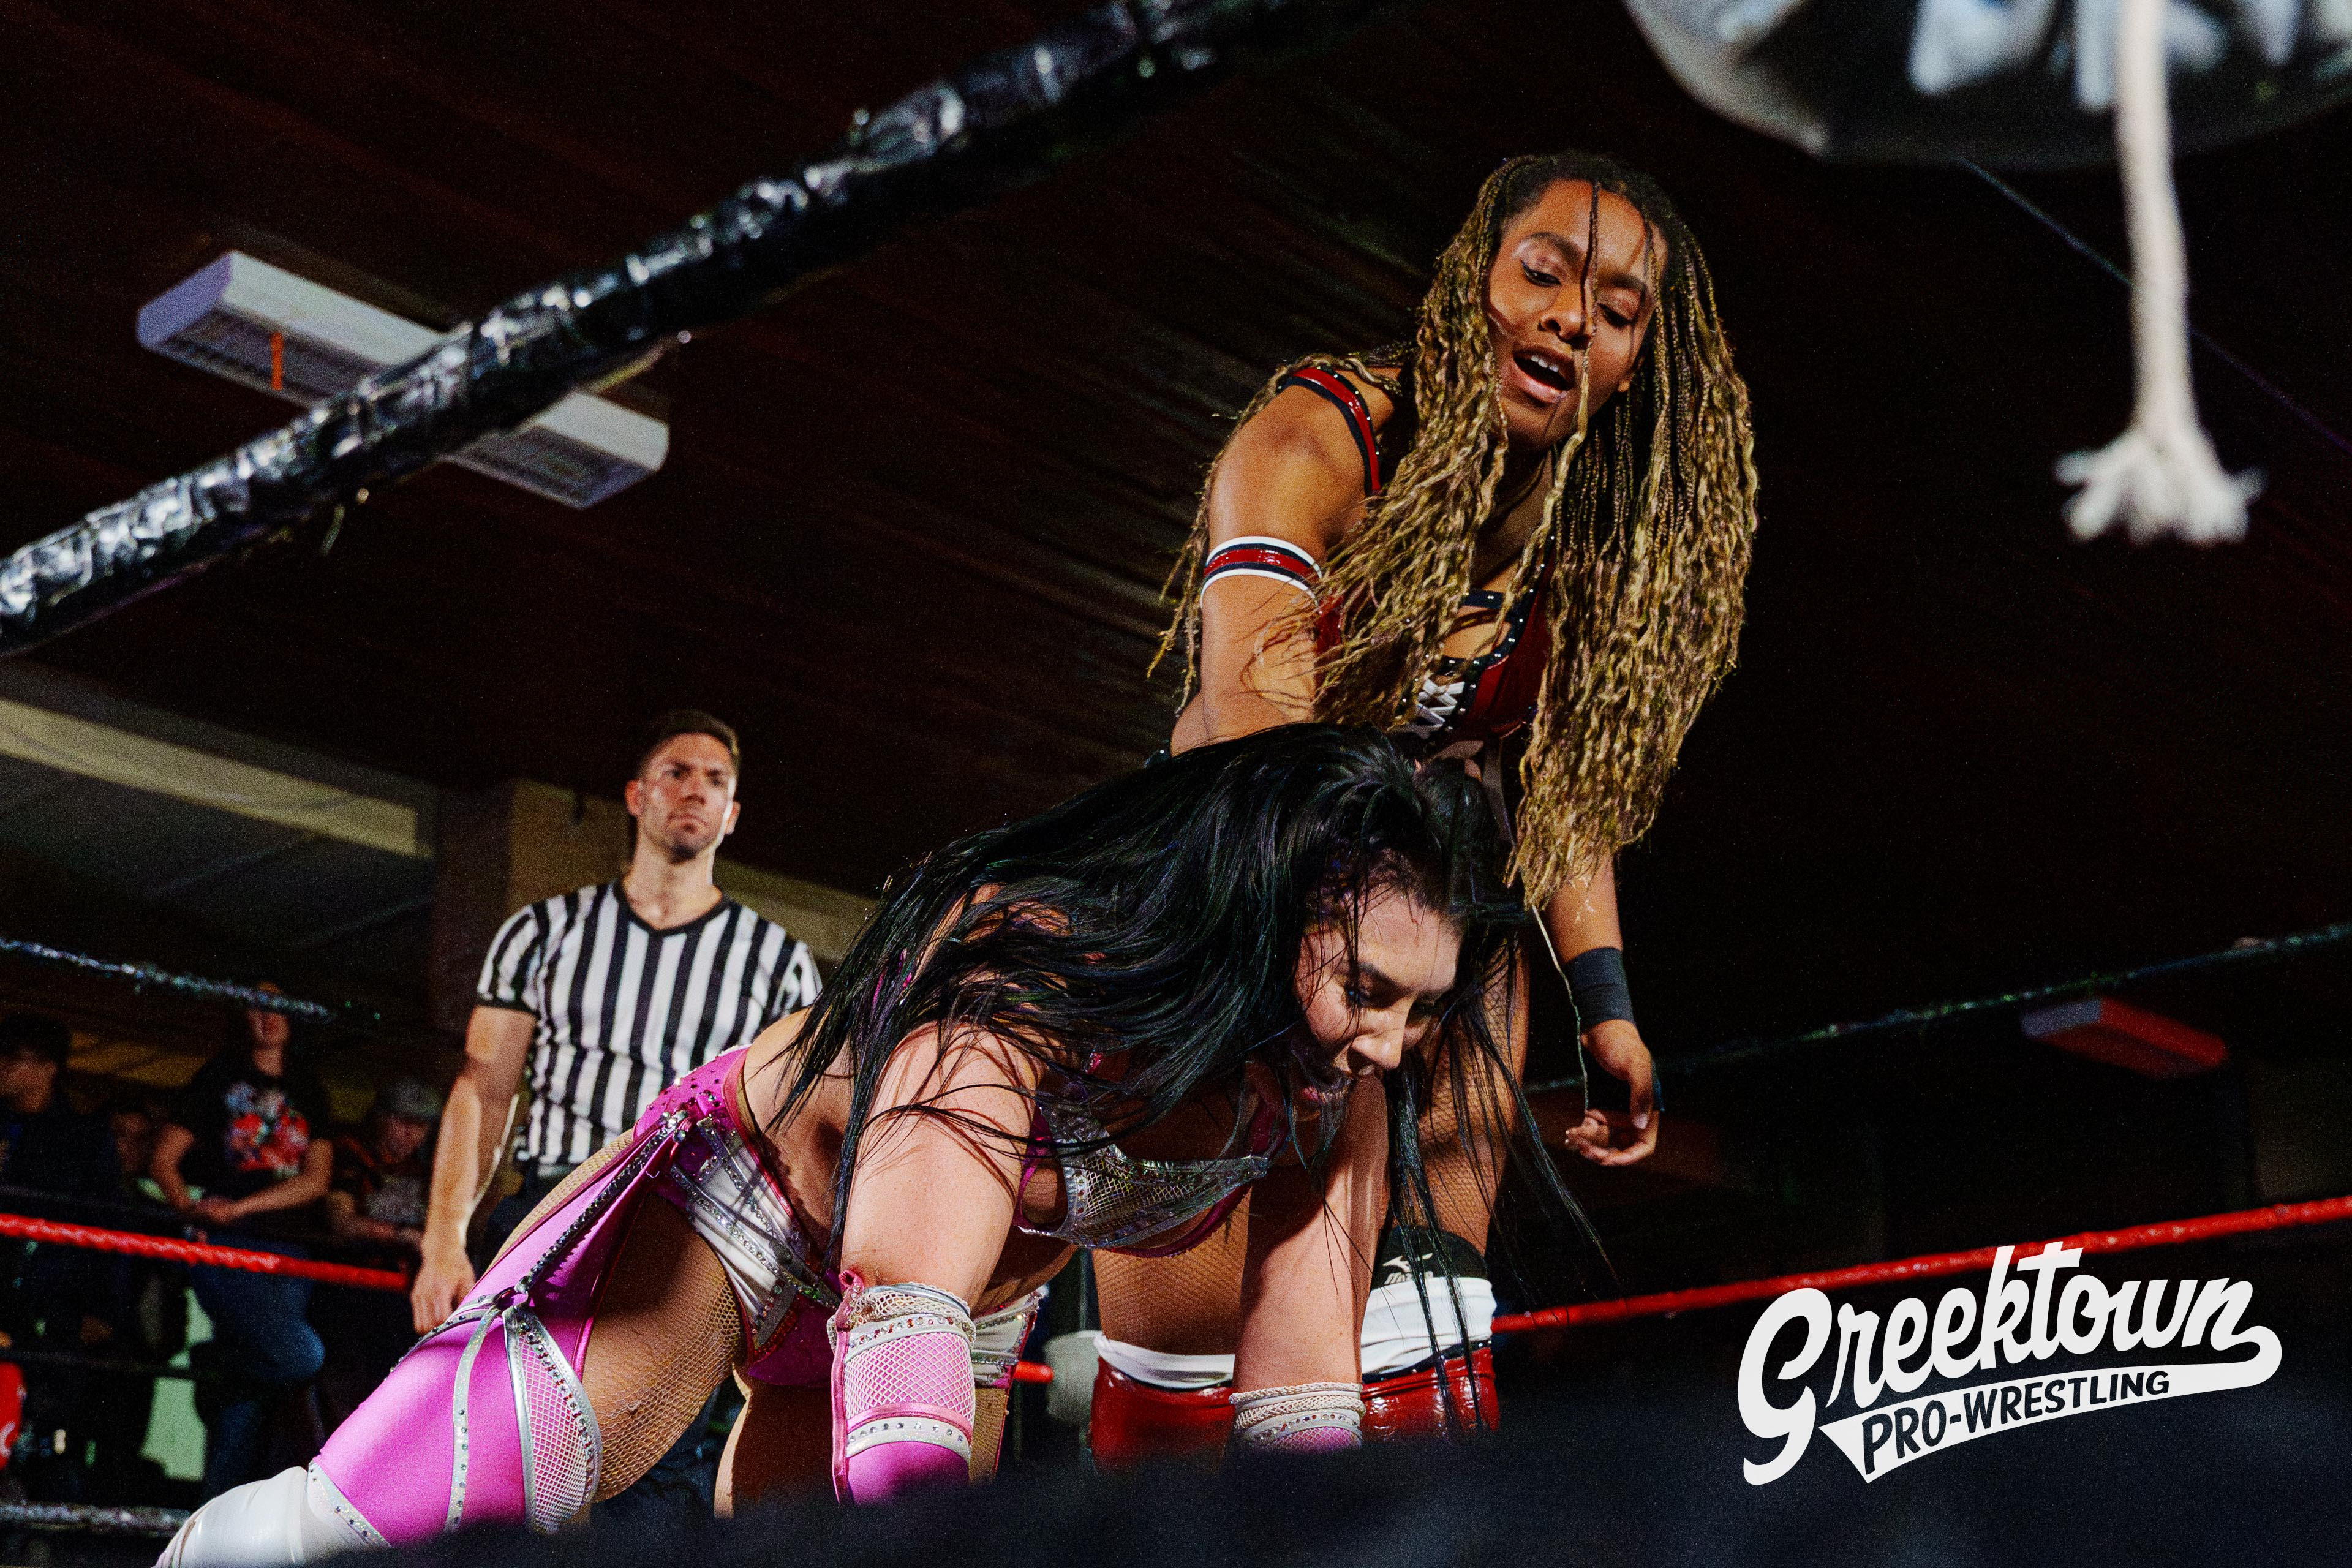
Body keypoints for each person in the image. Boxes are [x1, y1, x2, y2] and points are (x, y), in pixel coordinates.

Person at [153, 726, 1565, 1564]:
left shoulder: (1332, 1088)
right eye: (1366, 985)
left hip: (974, 1297)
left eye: (1420, 1006)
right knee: (349, 1536)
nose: (1390, 1041)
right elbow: (902, 1301)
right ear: (1264, 905)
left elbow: (1301, 1416)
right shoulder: (1027, 969)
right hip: (748, 1213)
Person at [1109, 149, 1761, 1448]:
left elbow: (1564, 781)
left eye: (1617, 312)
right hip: (1241, 880)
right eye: (1545, 275)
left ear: (1637, 363)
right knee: (1184, 1366)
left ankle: (1417, 1509)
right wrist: (1318, 925)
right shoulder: (1320, 437)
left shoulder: (1589, 544)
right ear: (1476, 283)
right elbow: (1252, 712)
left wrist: (1609, 1003)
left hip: (1432, 921)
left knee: (1428, 1326)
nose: (1571, 320)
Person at [409, 710, 821, 1518]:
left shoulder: (778, 964)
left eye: (715, 781)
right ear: (636, 795)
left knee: (653, 1468)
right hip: (555, 1201)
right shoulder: (542, 932)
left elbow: (792, 1130)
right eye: (677, 773)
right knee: (495, 1446)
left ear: (732, 814)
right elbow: (483, 1089)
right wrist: (443, 1239)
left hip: (691, 1225)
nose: (694, 791)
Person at [152, 992, 336, 1499]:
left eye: (277, 1006)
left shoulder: (308, 1086)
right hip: (228, 1246)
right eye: (255, 1005)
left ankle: (217, 1515)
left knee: (250, 1392)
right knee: (300, 1356)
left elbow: (317, 1179)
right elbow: (163, 1161)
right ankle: (217, 1361)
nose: (267, 1017)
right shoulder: (217, 1077)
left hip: (288, 1246)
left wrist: (240, 1208)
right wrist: (192, 1214)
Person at [314, 1079, 440, 1433]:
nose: (411, 1134)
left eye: (420, 1126)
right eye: (403, 1122)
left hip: (401, 1301)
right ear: (380, 1117)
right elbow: (341, 1221)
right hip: (347, 1294)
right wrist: (403, 1236)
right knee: (344, 1394)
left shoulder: (428, 1168)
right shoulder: (350, 1152)